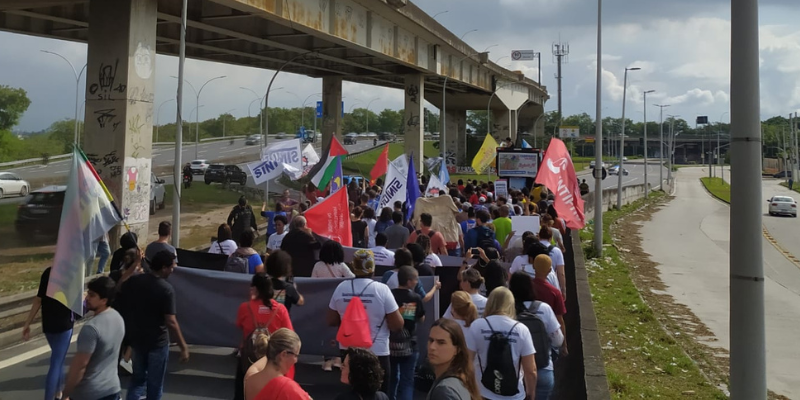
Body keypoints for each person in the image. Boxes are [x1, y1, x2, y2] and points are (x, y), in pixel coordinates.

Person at [328, 256, 404, 393]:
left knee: (351, 394)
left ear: (353, 267)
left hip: (348, 349)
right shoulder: (382, 289)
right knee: (378, 393)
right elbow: (398, 325)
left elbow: (331, 320)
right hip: (377, 351)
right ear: (373, 269)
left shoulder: (341, 287)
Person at [121, 250, 189, 400]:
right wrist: (183, 346)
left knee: (137, 381)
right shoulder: (166, 289)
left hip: (138, 341)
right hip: (158, 343)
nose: (172, 270)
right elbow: (171, 321)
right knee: (155, 385)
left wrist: (134, 264)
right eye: (171, 267)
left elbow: (121, 282)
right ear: (164, 267)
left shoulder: (136, 281)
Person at [467, 287, 537, 400]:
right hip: (515, 395)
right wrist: (531, 393)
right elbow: (530, 370)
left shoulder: (477, 326)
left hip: (483, 393)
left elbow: (467, 362)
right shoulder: (521, 329)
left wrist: (471, 390)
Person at [62, 276, 125, 400]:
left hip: (89, 393)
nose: (87, 298)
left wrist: (66, 394)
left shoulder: (91, 328)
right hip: (112, 389)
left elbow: (80, 366)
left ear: (104, 300)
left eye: (92, 295)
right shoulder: (118, 318)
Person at [235, 273, 294, 400]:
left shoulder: (245, 307)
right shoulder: (280, 309)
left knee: (242, 392)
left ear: (254, 288)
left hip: (249, 357)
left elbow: (240, 325)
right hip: (273, 358)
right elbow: (289, 333)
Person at [23, 266, 78, 400]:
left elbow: (38, 300)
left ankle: (58, 392)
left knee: (57, 359)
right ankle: (50, 396)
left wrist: (27, 323)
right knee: (56, 363)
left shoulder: (48, 272)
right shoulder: (72, 273)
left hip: (48, 324)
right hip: (64, 324)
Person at [509, 272, 564, 400]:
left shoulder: (508, 310)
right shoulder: (544, 308)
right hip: (543, 368)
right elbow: (558, 340)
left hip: (515, 373)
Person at [389, 266, 426, 400]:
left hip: (390, 344)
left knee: (391, 379)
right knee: (407, 381)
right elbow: (421, 318)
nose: (417, 282)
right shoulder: (414, 297)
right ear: (409, 281)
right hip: (410, 344)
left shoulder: (389, 294)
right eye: (416, 279)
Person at [245, 328, 310, 400]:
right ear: (284, 354)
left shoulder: (250, 379)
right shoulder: (288, 388)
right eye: (296, 355)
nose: (296, 360)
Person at [426, 318, 482, 400]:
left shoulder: (444, 390)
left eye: (441, 342)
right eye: (431, 340)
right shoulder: (461, 377)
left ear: (457, 349)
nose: (432, 347)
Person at [531, 254, 568, 357]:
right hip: (547, 342)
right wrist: (564, 345)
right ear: (549, 270)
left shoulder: (526, 287)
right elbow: (560, 320)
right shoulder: (555, 292)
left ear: (533, 266)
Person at [538, 226, 567, 295]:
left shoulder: (533, 248)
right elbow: (561, 273)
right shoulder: (557, 251)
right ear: (551, 238)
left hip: (536, 283)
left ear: (539, 236)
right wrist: (563, 289)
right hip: (551, 283)